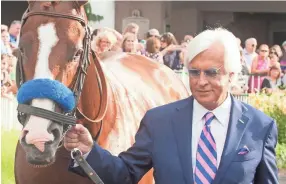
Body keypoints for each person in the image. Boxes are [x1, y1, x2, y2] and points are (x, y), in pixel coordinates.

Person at [64, 28, 278, 184]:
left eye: (211, 72)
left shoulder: (260, 127)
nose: (200, 81)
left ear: (232, 75)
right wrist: (89, 150)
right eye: (194, 72)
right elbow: (126, 173)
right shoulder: (159, 122)